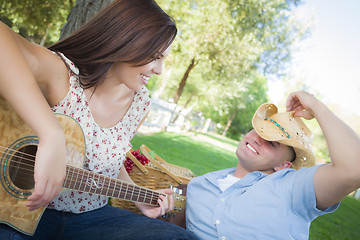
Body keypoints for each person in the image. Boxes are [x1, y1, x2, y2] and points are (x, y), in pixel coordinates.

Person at [0, 0, 197, 239]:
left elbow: (107, 161)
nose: (160, 70)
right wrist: (50, 134)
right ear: (125, 42)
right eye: (155, 57)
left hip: (91, 217)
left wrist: (138, 196)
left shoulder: (140, 103)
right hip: (22, 212)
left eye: (163, 59)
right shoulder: (63, 75)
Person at [185, 90, 360, 240]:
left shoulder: (293, 187)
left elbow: (353, 169)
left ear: (283, 165)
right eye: (260, 130)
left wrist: (315, 105)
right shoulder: (199, 184)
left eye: (272, 142)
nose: (258, 139)